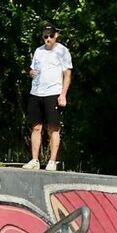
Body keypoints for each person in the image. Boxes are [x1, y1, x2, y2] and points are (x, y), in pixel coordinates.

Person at [22, 24, 72, 171]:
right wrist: (31, 73)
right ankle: (35, 160)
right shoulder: (38, 51)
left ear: (56, 35)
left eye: (50, 36)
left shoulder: (62, 51)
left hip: (53, 93)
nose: (48, 39)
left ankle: (52, 161)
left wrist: (63, 95)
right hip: (36, 92)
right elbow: (33, 69)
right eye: (45, 36)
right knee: (36, 127)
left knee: (53, 128)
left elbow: (67, 75)